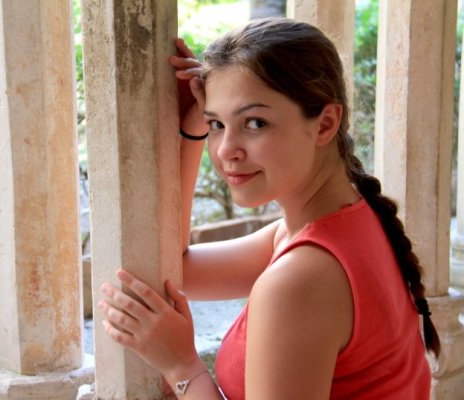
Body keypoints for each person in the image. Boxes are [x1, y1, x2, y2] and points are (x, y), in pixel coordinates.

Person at [98, 17, 440, 399]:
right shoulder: (341, 223)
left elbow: (176, 277)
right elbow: (178, 269)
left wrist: (183, 367)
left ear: (325, 123)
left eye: (255, 123)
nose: (226, 151)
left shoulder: (303, 278)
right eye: (217, 124)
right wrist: (193, 128)